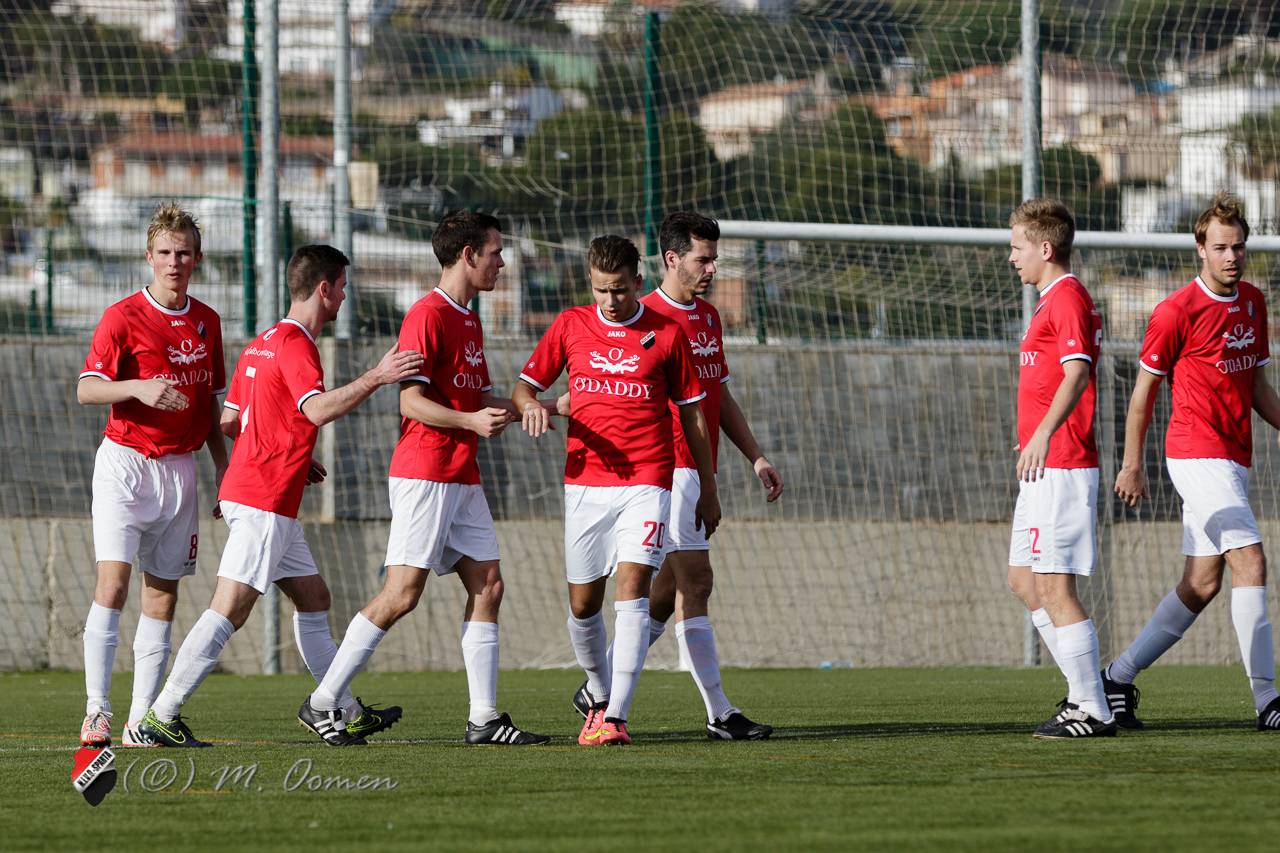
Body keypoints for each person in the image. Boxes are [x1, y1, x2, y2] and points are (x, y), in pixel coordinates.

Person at [137, 245, 423, 747]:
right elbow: (316, 410)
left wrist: (288, 447)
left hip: (264, 493)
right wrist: (377, 376)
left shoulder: (262, 342)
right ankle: (163, 713)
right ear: (324, 289)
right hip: (264, 497)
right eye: (342, 287)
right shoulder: (296, 345)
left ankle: (343, 709)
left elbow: (231, 421)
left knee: (314, 598)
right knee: (231, 607)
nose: (344, 297)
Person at [303, 211, 551, 746]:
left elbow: (474, 397)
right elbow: (411, 403)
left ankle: (484, 719)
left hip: (462, 474)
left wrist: (537, 407)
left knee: (489, 584)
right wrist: (470, 421)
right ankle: (323, 701)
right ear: (468, 255)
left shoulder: (470, 319)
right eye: (495, 253)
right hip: (426, 473)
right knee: (401, 594)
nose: (502, 263)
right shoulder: (427, 314)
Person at [567, 212, 782, 740]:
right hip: (667, 470)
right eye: (702, 259)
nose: (712, 268)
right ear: (671, 259)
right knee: (697, 583)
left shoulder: (707, 317)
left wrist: (755, 456)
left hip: (697, 468)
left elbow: (717, 394)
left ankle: (599, 690)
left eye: (714, 259)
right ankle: (720, 712)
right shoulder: (647, 318)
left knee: (664, 593)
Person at [514, 234, 721, 746]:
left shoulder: (667, 334)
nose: (610, 300)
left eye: (620, 290)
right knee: (584, 606)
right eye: (601, 290)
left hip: (649, 480)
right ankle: (599, 693)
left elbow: (694, 415)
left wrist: (708, 485)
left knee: (634, 587)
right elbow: (525, 387)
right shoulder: (570, 325)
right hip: (585, 483)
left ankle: (615, 717)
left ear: (637, 281)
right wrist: (531, 406)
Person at [1108, 193, 1280, 730]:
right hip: (1195, 453)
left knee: (1202, 584)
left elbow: (1257, 386)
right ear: (1200, 249)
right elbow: (1142, 394)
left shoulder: (1253, 302)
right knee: (1251, 561)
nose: (1232, 256)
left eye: (1239, 247)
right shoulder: (1175, 311)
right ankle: (1268, 701)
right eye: (1221, 247)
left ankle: (1116, 677)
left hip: (1234, 458)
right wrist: (1131, 464)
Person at [77, 202, 228, 748]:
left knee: (162, 595)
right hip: (125, 464)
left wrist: (224, 471)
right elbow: (86, 389)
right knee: (113, 584)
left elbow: (211, 406)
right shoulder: (121, 316)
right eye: (164, 252)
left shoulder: (208, 321)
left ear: (197, 259)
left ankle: (142, 721)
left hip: (179, 471)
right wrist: (137, 388)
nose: (173, 262)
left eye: (183, 253)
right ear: (149, 257)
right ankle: (97, 711)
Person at [1003, 198, 1115, 738]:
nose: (1012, 257)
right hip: (1041, 465)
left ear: (1045, 249)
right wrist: (1031, 435)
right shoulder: (1051, 300)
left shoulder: (1067, 297)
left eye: (1017, 247)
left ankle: (1093, 707)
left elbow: (1076, 374)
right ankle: (1083, 692)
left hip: (1063, 463)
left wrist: (1044, 434)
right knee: (1024, 580)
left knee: (1054, 586)